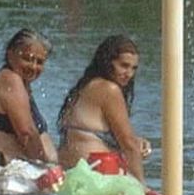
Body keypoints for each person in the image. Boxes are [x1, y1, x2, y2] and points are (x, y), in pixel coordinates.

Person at [57, 35, 153, 183]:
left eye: (134, 68)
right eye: (124, 65)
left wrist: (135, 141)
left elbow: (122, 140)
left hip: (69, 174)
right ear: (108, 62)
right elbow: (128, 146)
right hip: (94, 177)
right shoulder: (110, 89)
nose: (129, 74)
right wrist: (143, 188)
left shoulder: (85, 87)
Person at [0, 29, 58, 163]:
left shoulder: (21, 84)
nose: (33, 67)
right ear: (10, 55)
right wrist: (46, 168)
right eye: (27, 59)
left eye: (39, 62)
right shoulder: (9, 79)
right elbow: (26, 133)